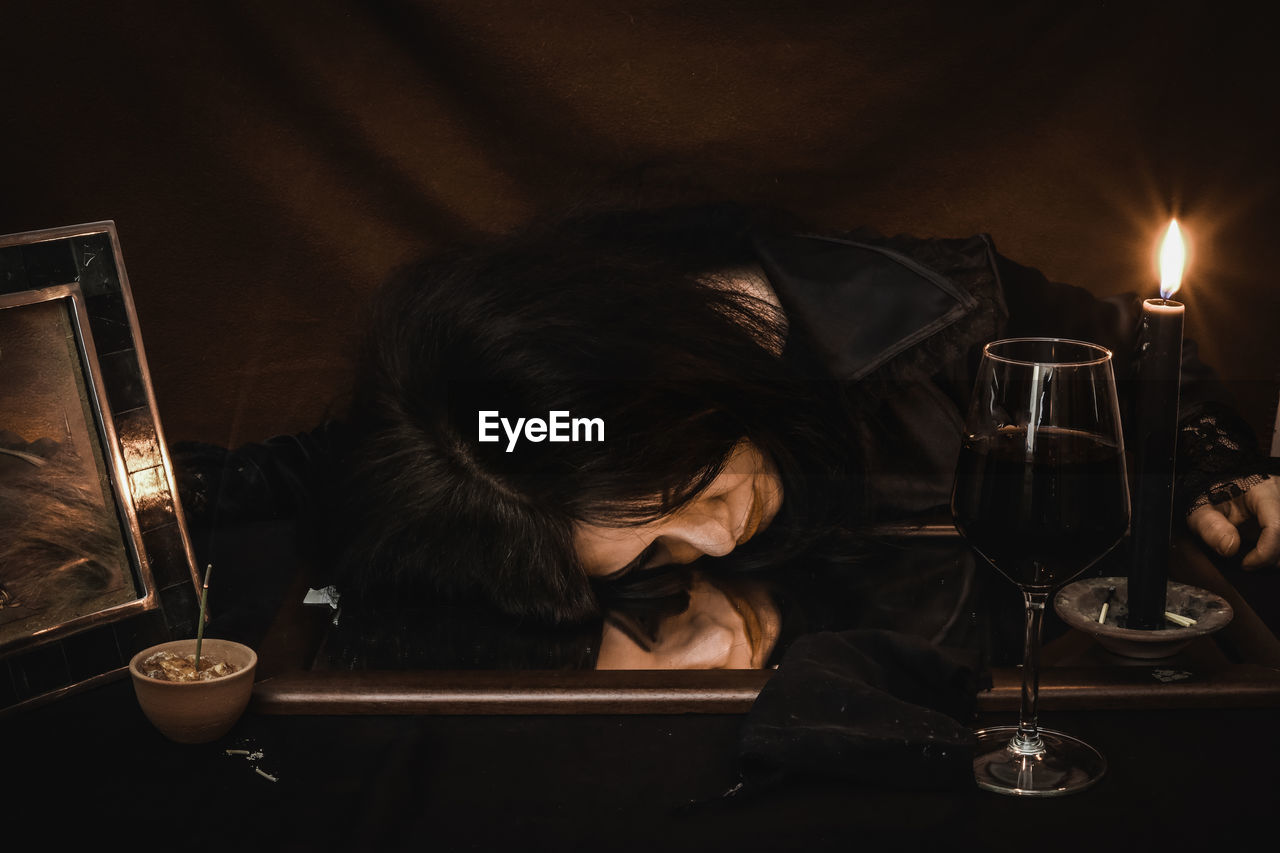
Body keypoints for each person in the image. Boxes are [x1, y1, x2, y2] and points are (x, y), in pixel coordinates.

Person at [177, 202, 1280, 641]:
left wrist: (1216, 473)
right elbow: (363, 466)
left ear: (689, 393)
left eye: (691, 492)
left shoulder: (934, 315)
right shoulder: (503, 450)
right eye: (650, 550)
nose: (714, 539)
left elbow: (1156, 379)